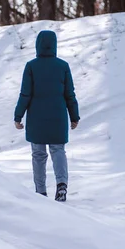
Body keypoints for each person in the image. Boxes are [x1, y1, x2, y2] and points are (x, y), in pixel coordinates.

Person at [14, 30, 80, 202]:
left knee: (38, 154)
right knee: (58, 150)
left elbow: (25, 94)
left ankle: (41, 192)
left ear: (38, 45)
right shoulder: (63, 66)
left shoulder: (31, 66)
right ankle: (62, 185)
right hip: (57, 116)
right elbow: (69, 94)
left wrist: (18, 115)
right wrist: (74, 116)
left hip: (36, 118)